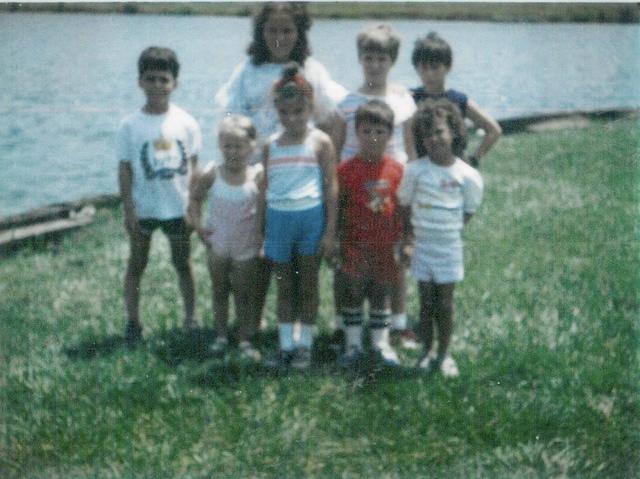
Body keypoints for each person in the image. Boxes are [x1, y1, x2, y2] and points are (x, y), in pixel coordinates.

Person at [215, 2, 346, 332]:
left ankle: (301, 324)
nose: (279, 37)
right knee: (257, 251)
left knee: (300, 263)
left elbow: (335, 118)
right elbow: (231, 118)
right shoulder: (247, 70)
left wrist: (330, 164)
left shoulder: (311, 69)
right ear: (260, 32)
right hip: (257, 171)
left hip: (298, 178)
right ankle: (252, 319)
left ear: (300, 33)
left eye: (287, 30)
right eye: (271, 30)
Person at [330, 24, 418, 351]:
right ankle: (342, 325)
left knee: (393, 257)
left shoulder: (403, 100)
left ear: (392, 60)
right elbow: (337, 148)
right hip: (354, 185)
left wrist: (412, 186)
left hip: (392, 183)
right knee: (347, 260)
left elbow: (409, 149)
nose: (375, 64)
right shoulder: (348, 102)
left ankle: (397, 325)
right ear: (360, 59)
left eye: (381, 58)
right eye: (369, 57)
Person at [117, 46, 201, 344]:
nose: (157, 86)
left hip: (177, 208)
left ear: (174, 83)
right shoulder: (130, 125)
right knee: (137, 263)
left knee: (183, 263)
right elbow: (125, 169)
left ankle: (191, 319)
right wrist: (129, 210)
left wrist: (194, 206)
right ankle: (133, 322)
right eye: (150, 79)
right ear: (140, 81)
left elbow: (194, 167)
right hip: (145, 209)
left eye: (163, 79)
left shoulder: (187, 122)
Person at [257, 63, 337, 370]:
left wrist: (330, 231)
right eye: (285, 112)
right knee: (284, 286)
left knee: (308, 285)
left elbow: (331, 187)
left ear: (311, 108)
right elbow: (266, 190)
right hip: (279, 222)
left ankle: (305, 345)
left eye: (299, 112)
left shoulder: (320, 142)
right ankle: (286, 345)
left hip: (310, 222)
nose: (292, 119)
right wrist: (261, 233)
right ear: (276, 109)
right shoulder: (270, 146)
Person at [397, 99, 483, 378]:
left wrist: (448, 230)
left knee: (445, 304)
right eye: (427, 134)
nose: (433, 139)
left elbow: (468, 210)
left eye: (439, 132)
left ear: (455, 133)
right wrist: (408, 240)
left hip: (448, 248)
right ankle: (426, 352)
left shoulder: (467, 175)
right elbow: (404, 205)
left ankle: (444, 355)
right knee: (425, 303)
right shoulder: (415, 171)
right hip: (422, 247)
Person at [186, 115, 263, 361]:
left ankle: (243, 339)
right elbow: (195, 199)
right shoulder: (212, 173)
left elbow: (264, 210)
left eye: (238, 146)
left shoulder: (257, 176)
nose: (232, 152)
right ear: (220, 147)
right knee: (220, 290)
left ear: (252, 147)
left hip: (246, 244)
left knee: (243, 292)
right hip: (218, 243)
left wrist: (263, 236)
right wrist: (198, 226)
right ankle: (220, 335)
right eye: (227, 146)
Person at [336, 99, 404, 368]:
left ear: (390, 134)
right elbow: (338, 208)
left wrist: (405, 241)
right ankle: (353, 344)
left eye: (380, 132)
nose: (373, 138)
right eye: (366, 132)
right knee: (352, 292)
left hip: (386, 246)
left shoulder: (397, 170)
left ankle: (380, 343)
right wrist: (336, 241)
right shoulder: (345, 170)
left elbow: (403, 209)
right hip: (355, 245)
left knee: (381, 293)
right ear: (356, 132)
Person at [410, 32, 501, 167]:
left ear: (448, 67)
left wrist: (474, 159)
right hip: (420, 168)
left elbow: (494, 130)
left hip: (452, 170)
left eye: (435, 67)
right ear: (416, 68)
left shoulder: (458, 100)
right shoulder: (410, 99)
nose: (429, 73)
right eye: (424, 67)